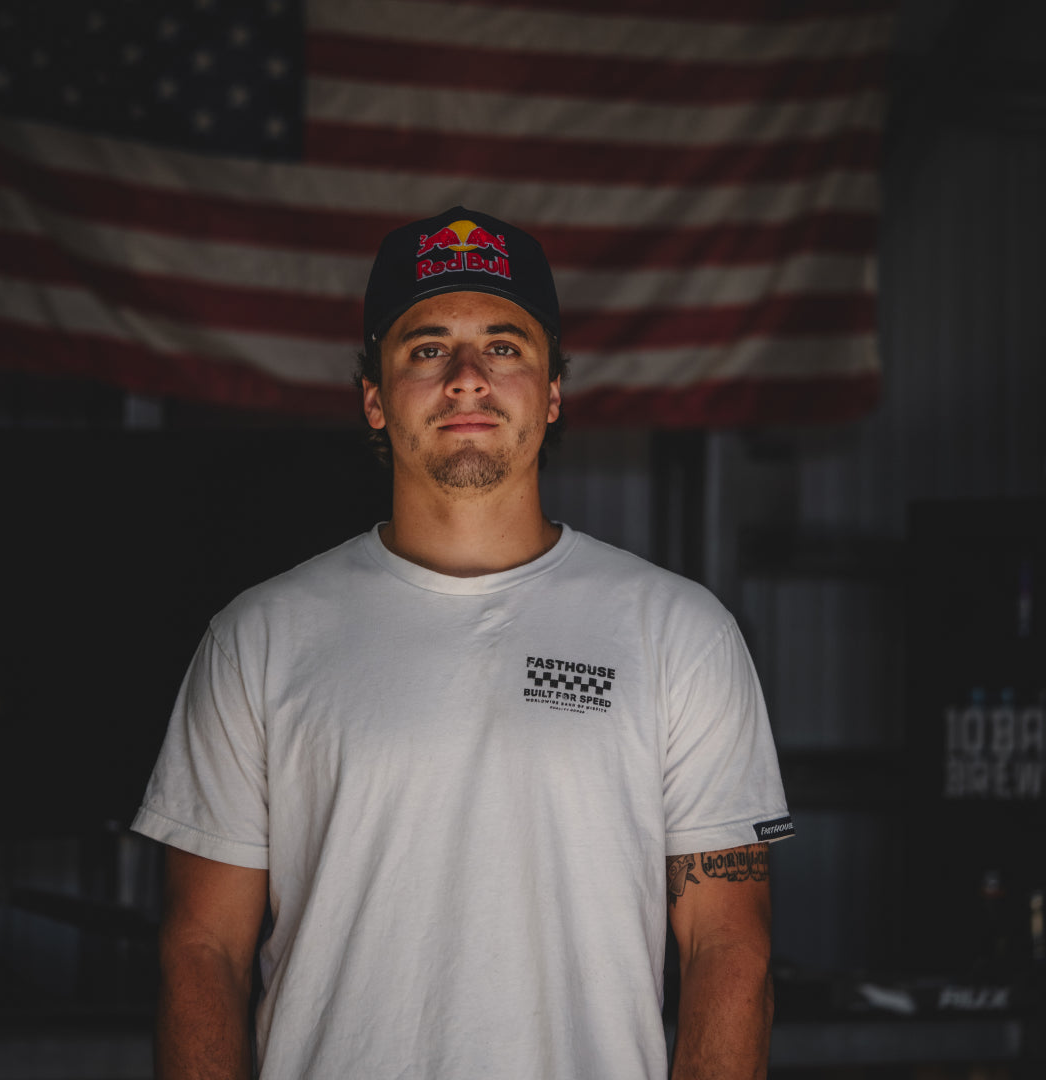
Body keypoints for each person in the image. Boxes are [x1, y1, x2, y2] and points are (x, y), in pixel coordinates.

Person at [132, 206, 794, 1080]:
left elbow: (727, 950)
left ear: (553, 390)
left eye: (506, 346)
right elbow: (201, 950)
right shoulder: (259, 638)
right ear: (373, 395)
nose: (469, 377)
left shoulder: (679, 633)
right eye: (427, 348)